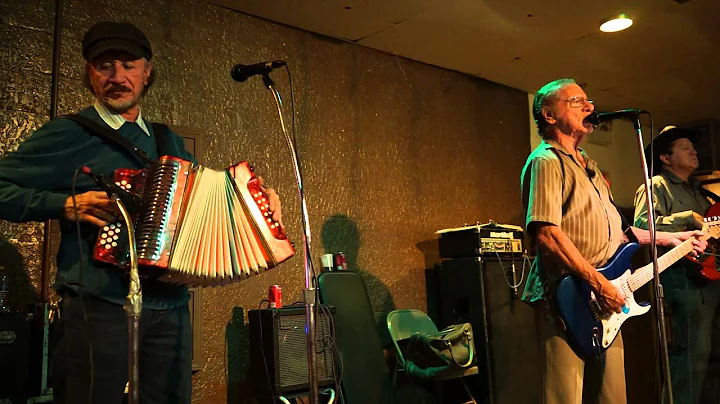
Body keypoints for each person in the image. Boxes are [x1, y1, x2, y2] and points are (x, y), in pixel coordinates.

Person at [0, 21, 283, 403]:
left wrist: (258, 210)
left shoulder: (168, 141)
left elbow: (204, 209)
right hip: (98, 306)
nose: (117, 76)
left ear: (146, 71)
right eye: (104, 65)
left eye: (128, 64)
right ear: (89, 73)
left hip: (170, 309)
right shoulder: (70, 133)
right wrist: (63, 204)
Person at [521, 78, 707, 404]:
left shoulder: (590, 167)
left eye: (587, 100)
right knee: (565, 396)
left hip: (607, 297)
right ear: (549, 115)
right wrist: (597, 283)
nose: (589, 106)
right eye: (576, 101)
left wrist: (674, 237)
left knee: (614, 396)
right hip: (568, 294)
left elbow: (624, 232)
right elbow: (546, 233)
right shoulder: (546, 161)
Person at [633, 126, 720, 404]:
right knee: (691, 357)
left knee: (712, 359)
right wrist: (687, 217)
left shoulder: (700, 191)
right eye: (684, 146)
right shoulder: (655, 185)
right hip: (684, 281)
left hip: (711, 280)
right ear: (665, 158)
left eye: (692, 146)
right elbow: (642, 226)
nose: (693, 150)